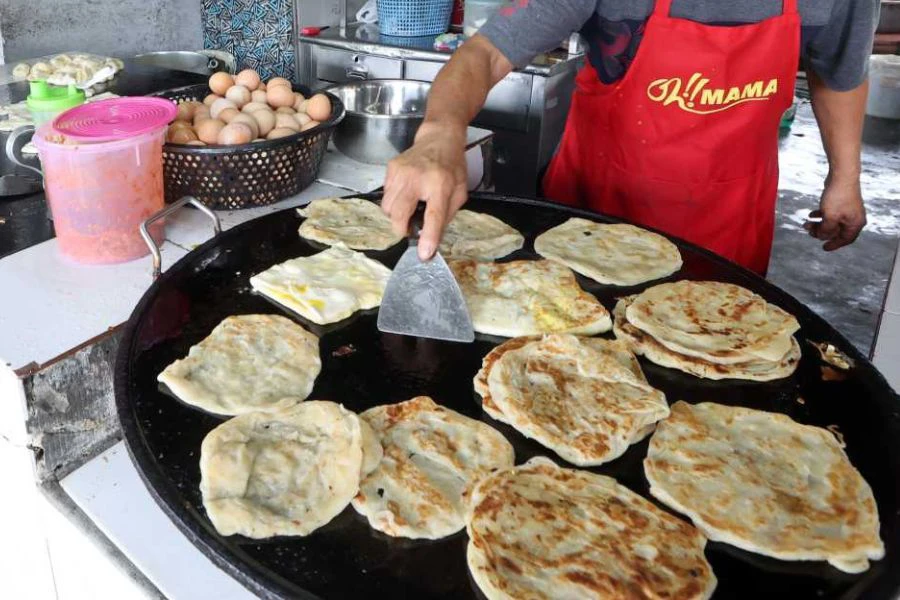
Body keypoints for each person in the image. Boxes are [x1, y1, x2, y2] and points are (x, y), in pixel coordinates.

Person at [381, 0, 877, 275]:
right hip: (592, 218)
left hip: (727, 225)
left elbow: (839, 72)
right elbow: (486, 53)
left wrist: (845, 178)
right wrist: (440, 134)